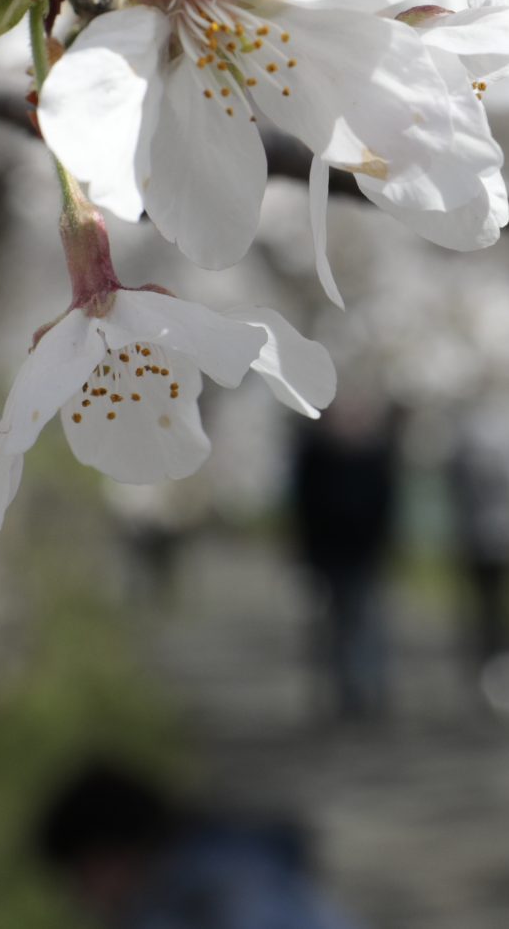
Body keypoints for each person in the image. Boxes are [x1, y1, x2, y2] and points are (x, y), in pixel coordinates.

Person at [35, 761, 357, 929]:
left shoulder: (215, 893)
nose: (80, 898)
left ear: (112, 857)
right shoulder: (224, 865)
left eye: (81, 876)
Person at [288, 398, 401, 722]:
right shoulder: (316, 456)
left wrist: (386, 544)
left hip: (366, 553)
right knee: (338, 624)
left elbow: (387, 506)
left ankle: (373, 690)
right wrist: (306, 552)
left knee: (368, 621)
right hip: (329, 554)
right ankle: (348, 693)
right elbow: (304, 508)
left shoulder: (374, 455)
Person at [446, 396, 509, 716]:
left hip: (484, 541)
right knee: (508, 616)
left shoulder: (465, 441)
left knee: (492, 616)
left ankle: (494, 675)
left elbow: (453, 484)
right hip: (508, 541)